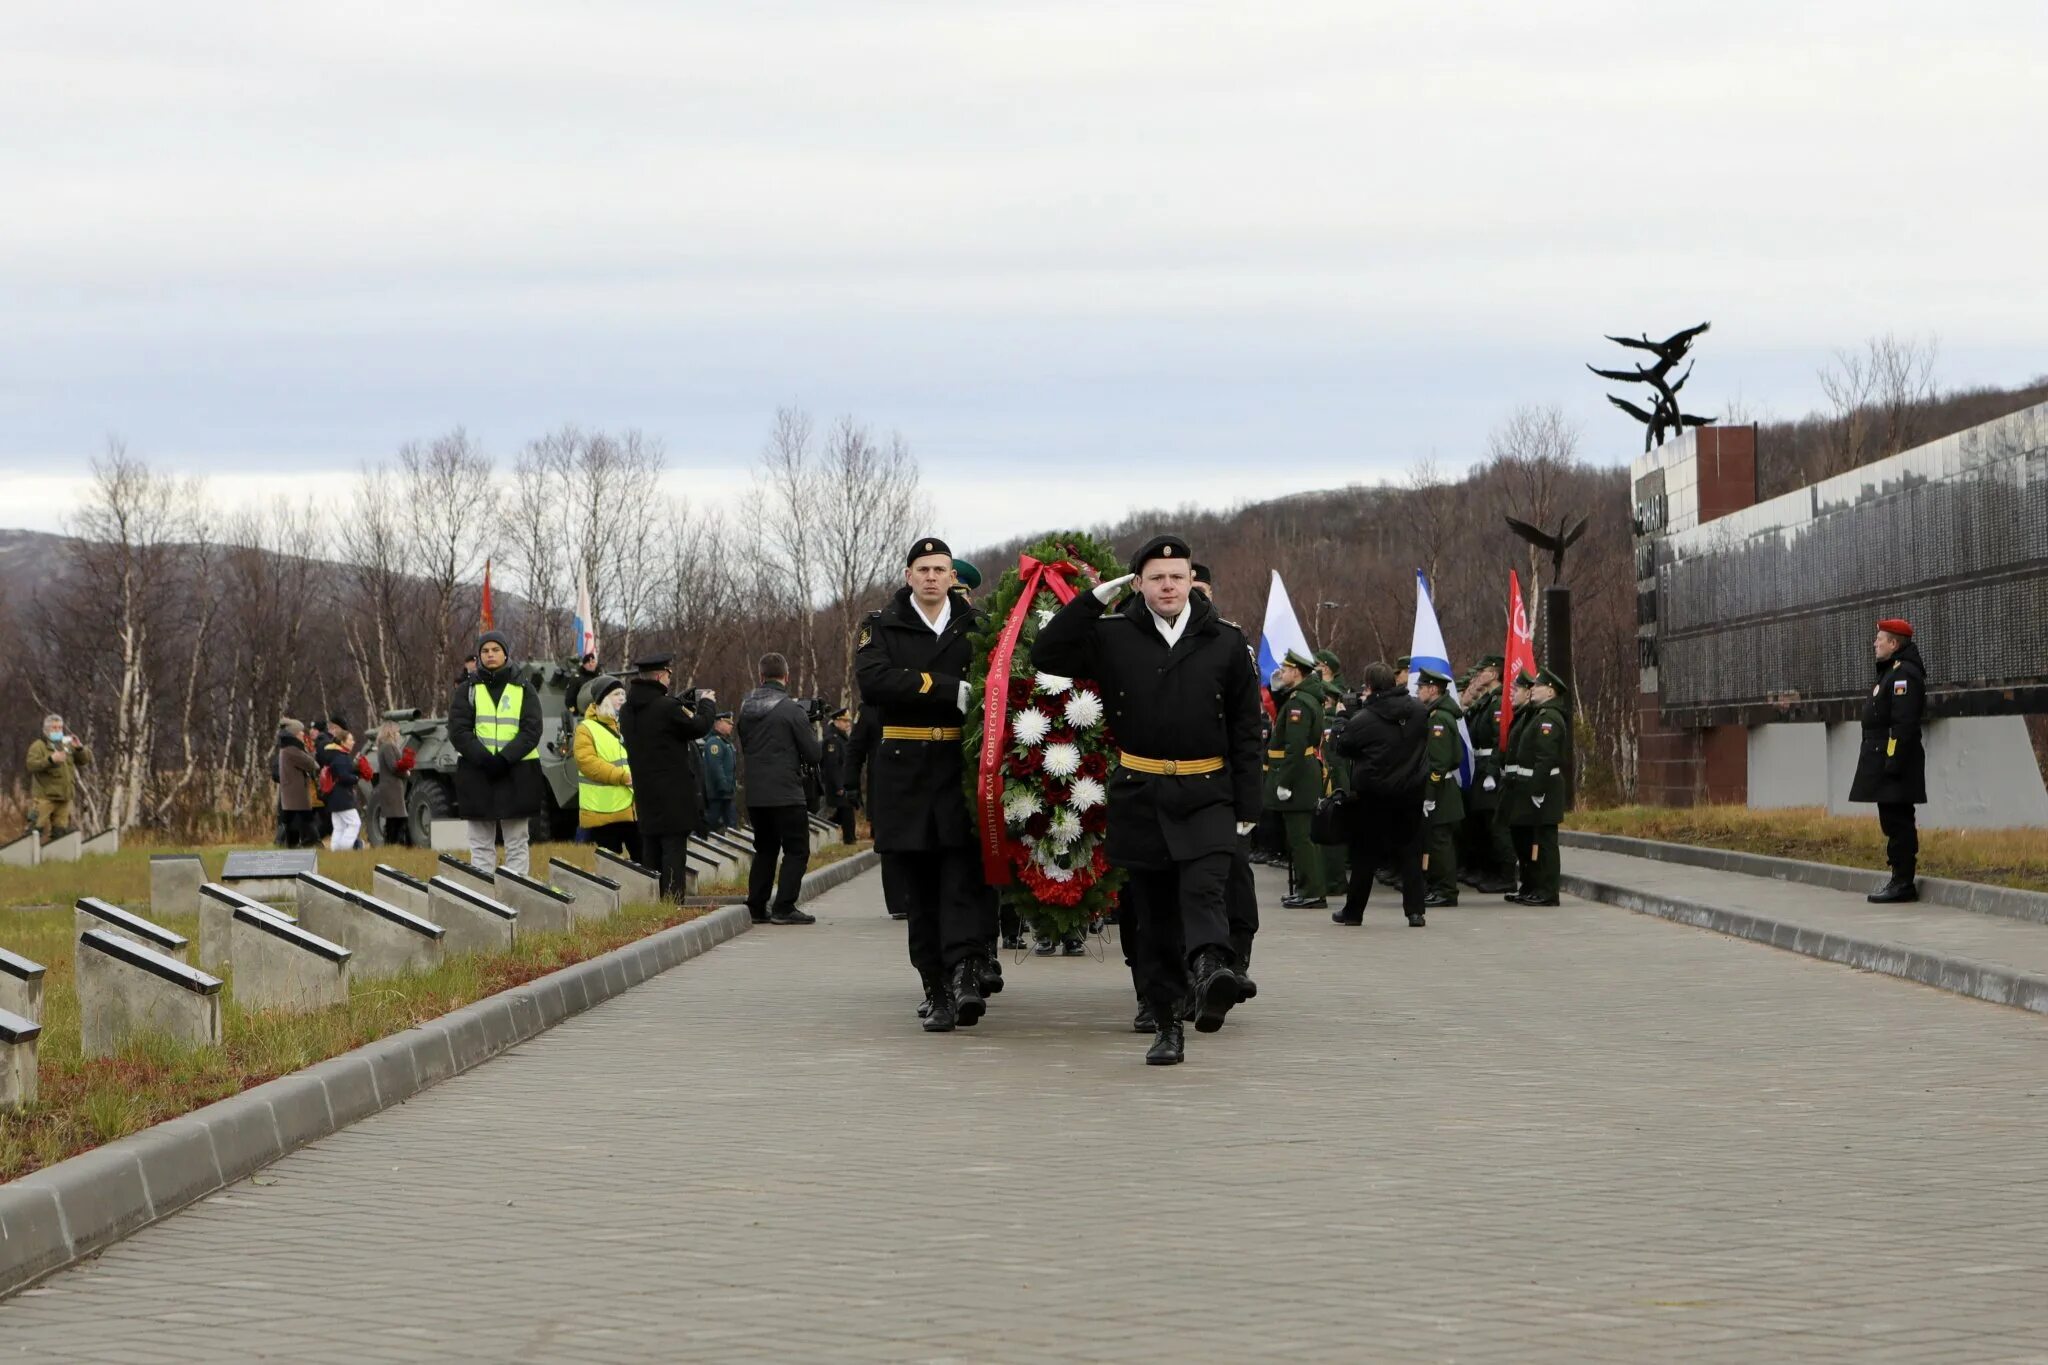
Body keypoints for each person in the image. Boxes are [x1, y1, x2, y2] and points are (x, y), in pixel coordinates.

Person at [1032, 533, 1262, 1066]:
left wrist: (1249, 804)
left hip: (1208, 791)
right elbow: (1049, 653)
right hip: (1141, 792)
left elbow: (1247, 728)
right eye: (1156, 578)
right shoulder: (1113, 635)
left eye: (1177, 576)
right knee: (1154, 914)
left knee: (1206, 890)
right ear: (1138, 584)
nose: (1167, 585)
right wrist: (1092, 601)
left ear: (1191, 582)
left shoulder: (1225, 640)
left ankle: (1210, 970)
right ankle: (1166, 1021)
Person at [856, 535, 995, 1032]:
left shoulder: (976, 625)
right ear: (909, 575)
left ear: (952, 576)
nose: (933, 577)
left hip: (959, 764)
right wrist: (943, 688)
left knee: (961, 878)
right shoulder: (882, 625)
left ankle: (963, 976)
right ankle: (934, 987)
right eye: (924, 569)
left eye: (941, 569)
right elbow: (874, 682)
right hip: (905, 769)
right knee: (920, 888)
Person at [1331, 661, 1429, 927]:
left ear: (1370, 686)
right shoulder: (1419, 711)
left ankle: (1354, 912)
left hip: (1373, 795)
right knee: (1410, 853)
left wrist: (1341, 718)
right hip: (1410, 792)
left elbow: (1342, 747)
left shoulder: (1364, 719)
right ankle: (1415, 911)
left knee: (1364, 855)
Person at [447, 629, 546, 877]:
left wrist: (504, 758)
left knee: (517, 843)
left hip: (517, 773)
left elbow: (531, 730)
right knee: (480, 846)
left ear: (505, 654)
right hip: (477, 773)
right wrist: (483, 758)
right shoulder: (467, 689)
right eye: (485, 651)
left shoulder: (524, 688)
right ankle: (483, 900)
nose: (490, 655)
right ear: (479, 656)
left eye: (495, 650)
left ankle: (517, 895)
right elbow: (458, 730)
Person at [618, 653, 716, 900]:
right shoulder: (667, 707)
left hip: (645, 791)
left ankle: (653, 903)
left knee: (651, 848)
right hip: (673, 793)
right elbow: (699, 727)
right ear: (661, 675)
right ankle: (672, 903)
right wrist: (707, 703)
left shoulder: (627, 711)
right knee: (673, 850)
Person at [737, 653, 825, 925]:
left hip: (756, 794)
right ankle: (784, 906)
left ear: (761, 677)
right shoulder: (791, 710)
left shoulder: (745, 710)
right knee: (797, 849)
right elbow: (813, 754)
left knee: (765, 849)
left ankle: (756, 905)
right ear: (786, 678)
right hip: (786, 792)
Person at [1850, 618, 1927, 902]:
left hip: (1895, 762)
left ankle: (1903, 882)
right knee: (1891, 821)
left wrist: (1892, 762)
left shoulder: (1903, 674)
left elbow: (1903, 723)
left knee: (1898, 822)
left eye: (1880, 639)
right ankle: (1898, 878)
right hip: (1885, 760)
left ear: (1894, 644)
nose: (1875, 643)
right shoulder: (1890, 673)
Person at [1500, 668, 1571, 906]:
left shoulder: (1549, 718)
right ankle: (1533, 886)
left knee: (1545, 843)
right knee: (1532, 840)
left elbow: (1546, 758)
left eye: (1538, 686)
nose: (1534, 689)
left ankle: (1548, 891)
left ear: (1550, 691)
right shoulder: (1539, 714)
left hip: (1545, 788)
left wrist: (1537, 790)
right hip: (1532, 787)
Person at [1266, 650, 1328, 910]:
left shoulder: (1299, 704)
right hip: (1302, 772)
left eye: (1287, 669)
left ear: (1298, 672)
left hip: (1298, 775)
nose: (1283, 673)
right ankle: (1306, 887)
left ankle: (1312, 890)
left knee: (1301, 837)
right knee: (1300, 836)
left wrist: (1285, 781)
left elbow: (1296, 745)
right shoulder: (1299, 698)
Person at [1457, 657, 1520, 894]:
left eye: (1481, 672)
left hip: (1488, 769)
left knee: (1495, 825)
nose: (1477, 677)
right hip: (1479, 767)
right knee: (1481, 825)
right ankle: (1487, 870)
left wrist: (1492, 771)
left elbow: (1498, 740)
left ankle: (1505, 875)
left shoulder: (1497, 704)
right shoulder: (1486, 703)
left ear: (1493, 674)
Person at [573, 675, 641, 863]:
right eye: (616, 694)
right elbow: (588, 763)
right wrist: (623, 777)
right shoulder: (586, 729)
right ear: (602, 698)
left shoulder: (626, 725)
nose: (622, 698)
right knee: (611, 866)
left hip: (632, 809)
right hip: (605, 812)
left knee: (645, 861)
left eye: (623, 694)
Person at [1416, 669, 1467, 908]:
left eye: (1421, 687)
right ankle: (1439, 887)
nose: (1418, 691)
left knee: (1440, 842)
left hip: (1441, 787)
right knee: (1436, 840)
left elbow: (1439, 761)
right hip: (1440, 786)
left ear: (1433, 689)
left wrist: (1430, 794)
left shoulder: (1439, 719)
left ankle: (1446, 890)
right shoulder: (1437, 714)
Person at [26, 715, 92, 840]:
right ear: (46, 730)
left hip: (64, 797)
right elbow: (31, 765)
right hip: (45, 797)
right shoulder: (39, 746)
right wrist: (51, 760)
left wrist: (79, 748)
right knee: (34, 830)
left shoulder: (66, 744)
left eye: (60, 728)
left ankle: (54, 857)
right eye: (54, 728)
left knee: (60, 833)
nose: (58, 731)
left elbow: (84, 760)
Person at [318, 720, 364, 852]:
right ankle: (344, 849)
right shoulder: (341, 757)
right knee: (355, 823)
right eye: (350, 739)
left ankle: (336, 851)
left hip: (333, 797)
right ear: (343, 742)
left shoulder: (333, 755)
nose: (353, 742)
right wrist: (356, 778)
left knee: (339, 827)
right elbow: (344, 777)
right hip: (342, 797)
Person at [275, 720, 320, 848]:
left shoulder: (285, 749)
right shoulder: (293, 750)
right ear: (294, 734)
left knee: (291, 820)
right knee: (305, 820)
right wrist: (310, 751)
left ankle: (291, 844)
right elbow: (313, 765)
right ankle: (313, 842)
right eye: (300, 732)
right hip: (297, 793)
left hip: (291, 792)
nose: (303, 735)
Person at [371, 720, 415, 847]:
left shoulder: (382, 747)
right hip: (392, 787)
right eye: (397, 732)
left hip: (390, 787)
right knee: (399, 818)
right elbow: (393, 767)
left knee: (393, 819)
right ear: (391, 732)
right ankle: (401, 844)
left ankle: (392, 844)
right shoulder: (388, 746)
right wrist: (406, 773)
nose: (398, 735)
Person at [821, 707, 858, 844]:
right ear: (836, 722)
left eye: (848, 721)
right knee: (846, 810)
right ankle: (849, 839)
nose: (847, 724)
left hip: (843, 781)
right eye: (844, 721)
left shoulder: (842, 737)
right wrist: (839, 785)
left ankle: (847, 836)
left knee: (842, 812)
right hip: (837, 783)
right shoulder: (833, 739)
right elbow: (832, 765)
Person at [700, 714, 739, 833]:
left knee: (731, 823)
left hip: (726, 792)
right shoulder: (714, 743)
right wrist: (724, 785)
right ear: (718, 724)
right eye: (728, 723)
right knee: (711, 820)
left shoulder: (725, 743)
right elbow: (715, 767)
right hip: (718, 792)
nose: (731, 726)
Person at [564, 651, 602, 718]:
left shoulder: (601, 677)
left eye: (593, 662)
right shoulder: (576, 678)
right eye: (588, 663)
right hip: (583, 714)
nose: (591, 664)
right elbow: (570, 698)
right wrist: (574, 713)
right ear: (584, 665)